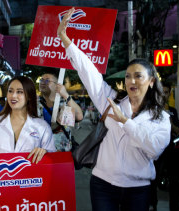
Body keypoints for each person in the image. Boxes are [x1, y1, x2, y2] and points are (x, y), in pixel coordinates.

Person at [57, 8, 171, 210]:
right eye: (128, 76)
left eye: (138, 76)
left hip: (138, 189)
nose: (131, 81)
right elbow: (88, 71)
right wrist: (65, 39)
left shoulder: (161, 118)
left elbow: (154, 150)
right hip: (102, 184)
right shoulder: (111, 101)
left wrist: (125, 122)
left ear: (151, 81)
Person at [150, 82, 179, 211]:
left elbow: (177, 131)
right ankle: (152, 205)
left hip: (171, 150)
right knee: (153, 179)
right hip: (156, 151)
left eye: (166, 92)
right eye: (161, 91)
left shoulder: (173, 111)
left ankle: (174, 208)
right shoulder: (151, 109)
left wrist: (170, 123)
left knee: (174, 181)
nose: (164, 94)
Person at [38, 72, 83, 151]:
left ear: (57, 85)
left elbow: (79, 117)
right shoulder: (36, 104)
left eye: (47, 81)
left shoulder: (63, 104)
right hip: (41, 153)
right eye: (41, 80)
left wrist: (65, 95)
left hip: (62, 153)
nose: (42, 83)